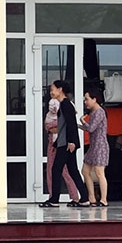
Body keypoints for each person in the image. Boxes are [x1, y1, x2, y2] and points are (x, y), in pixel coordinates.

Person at [39, 79, 89, 208]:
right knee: (73, 170)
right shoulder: (64, 104)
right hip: (64, 142)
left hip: (66, 143)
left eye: (53, 89)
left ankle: (54, 199)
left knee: (56, 169)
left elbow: (71, 124)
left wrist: (71, 141)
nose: (51, 92)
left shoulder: (66, 105)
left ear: (60, 90)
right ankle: (84, 198)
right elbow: (64, 126)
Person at [43, 97, 80, 203]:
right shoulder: (49, 116)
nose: (53, 108)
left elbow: (58, 128)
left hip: (62, 144)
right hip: (53, 145)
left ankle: (75, 196)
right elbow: (49, 128)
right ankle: (53, 196)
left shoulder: (65, 110)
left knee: (66, 170)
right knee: (52, 170)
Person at [80, 87, 109, 206]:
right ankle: (91, 197)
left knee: (99, 172)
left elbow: (91, 128)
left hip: (100, 146)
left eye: (87, 99)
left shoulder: (99, 112)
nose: (85, 102)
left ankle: (103, 199)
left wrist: (83, 121)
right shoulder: (94, 112)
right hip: (94, 146)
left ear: (94, 99)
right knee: (85, 171)